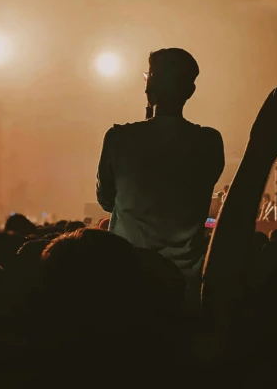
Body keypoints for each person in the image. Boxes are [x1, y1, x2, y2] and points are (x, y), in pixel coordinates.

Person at [96, 48, 224, 305]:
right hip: (187, 284)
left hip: (128, 279)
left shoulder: (119, 138)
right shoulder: (209, 141)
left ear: (149, 85)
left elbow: (107, 200)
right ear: (189, 91)